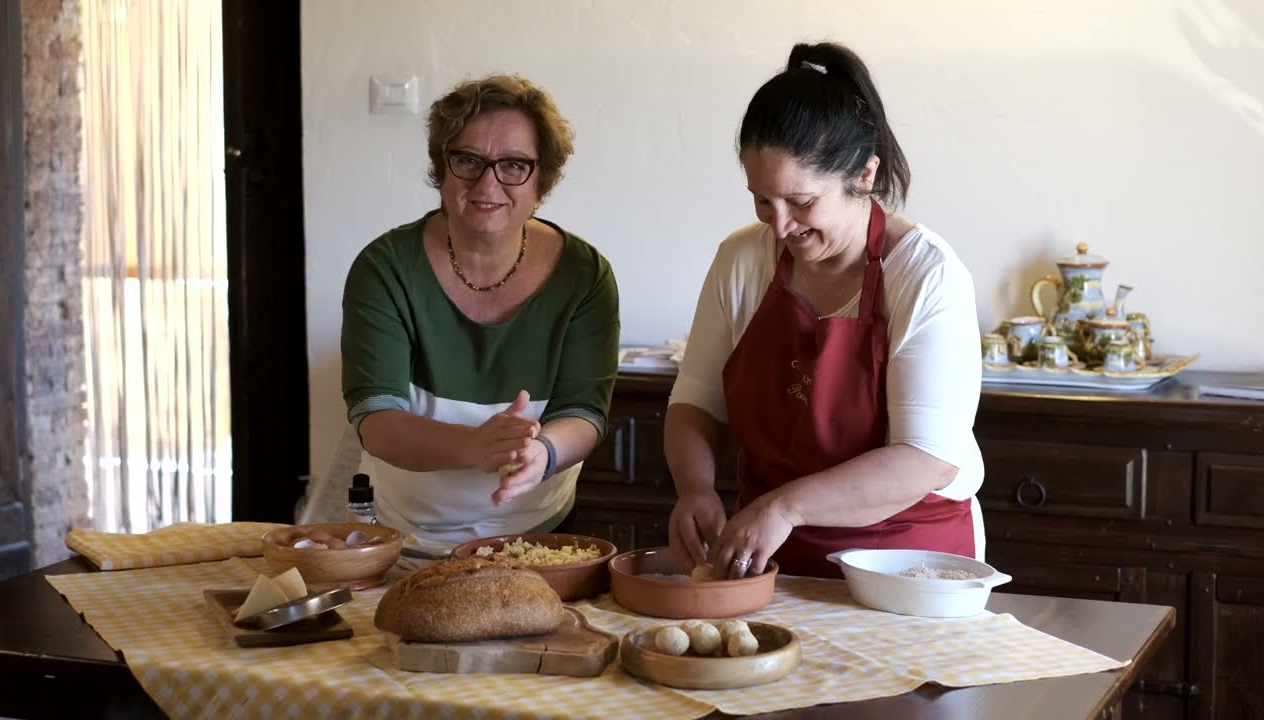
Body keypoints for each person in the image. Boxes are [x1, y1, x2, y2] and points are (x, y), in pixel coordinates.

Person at [665, 43, 984, 580]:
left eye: (802, 201)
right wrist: (695, 487)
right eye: (763, 200)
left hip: (906, 565)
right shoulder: (742, 261)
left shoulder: (927, 274)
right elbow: (695, 404)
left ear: (864, 174)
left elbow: (926, 458)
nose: (781, 225)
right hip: (767, 561)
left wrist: (784, 507)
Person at [341, 74, 619, 557]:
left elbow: (583, 413)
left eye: (514, 165)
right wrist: (475, 446)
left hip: (538, 540)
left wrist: (543, 452)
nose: (488, 183)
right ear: (442, 169)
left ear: (541, 180)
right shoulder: (384, 269)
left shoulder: (585, 276)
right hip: (402, 539)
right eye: (468, 160)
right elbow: (376, 419)